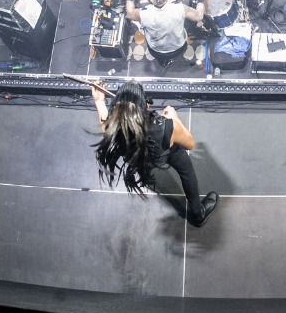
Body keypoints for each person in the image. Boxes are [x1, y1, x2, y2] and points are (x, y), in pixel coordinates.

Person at [91, 81, 217, 227]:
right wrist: (174, 118)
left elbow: (105, 127)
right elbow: (190, 144)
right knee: (186, 170)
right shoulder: (166, 127)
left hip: (136, 156)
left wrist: (99, 101)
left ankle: (145, 172)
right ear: (146, 105)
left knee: (143, 164)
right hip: (163, 153)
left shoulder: (115, 124)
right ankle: (198, 214)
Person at [125, 0, 204, 69]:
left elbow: (129, 13)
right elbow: (199, 16)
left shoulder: (143, 13)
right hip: (178, 49)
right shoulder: (180, 8)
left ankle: (162, 63)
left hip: (155, 50)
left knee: (142, 1)